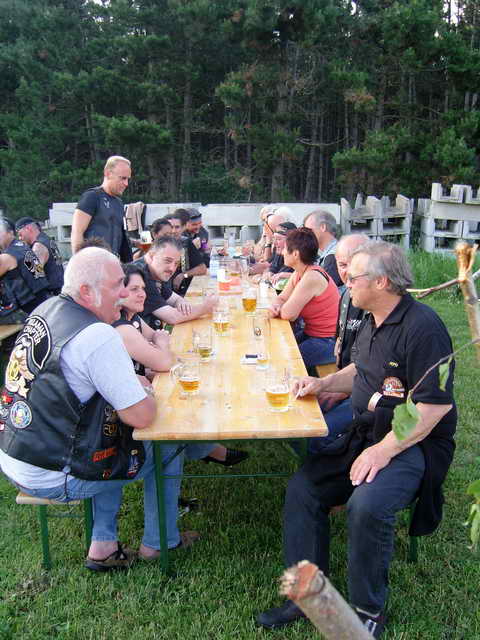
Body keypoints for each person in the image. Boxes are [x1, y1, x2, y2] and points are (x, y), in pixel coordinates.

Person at [257, 241, 457, 637]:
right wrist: (323, 383)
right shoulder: (372, 318)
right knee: (303, 488)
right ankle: (307, 599)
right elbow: (361, 369)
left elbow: (434, 408)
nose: (345, 279)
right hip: (366, 432)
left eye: (354, 275)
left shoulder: (424, 328)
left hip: (413, 443)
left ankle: (367, 610)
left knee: (367, 504)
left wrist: (382, 451)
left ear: (381, 282)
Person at [0, 247, 197, 569]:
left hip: (15, 457)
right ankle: (160, 542)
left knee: (114, 441)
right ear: (86, 291)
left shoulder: (45, 310)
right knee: (167, 446)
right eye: (117, 285)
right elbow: (142, 416)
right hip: (55, 472)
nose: (124, 293)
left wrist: (127, 385)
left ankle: (103, 543)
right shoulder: (98, 335)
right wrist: (145, 392)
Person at [114, 264, 247, 468]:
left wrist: (158, 347)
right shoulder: (122, 327)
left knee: (193, 387)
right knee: (179, 415)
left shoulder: (133, 318)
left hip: (143, 387)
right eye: (134, 289)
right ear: (119, 292)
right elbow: (164, 357)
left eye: (142, 288)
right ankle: (199, 452)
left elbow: (158, 337)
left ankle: (206, 449)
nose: (142, 294)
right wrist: (160, 347)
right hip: (130, 409)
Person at [308, 233, 369, 453]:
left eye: (355, 264)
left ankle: (332, 468)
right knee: (305, 411)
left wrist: (340, 390)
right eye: (342, 265)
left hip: (368, 393)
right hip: (348, 379)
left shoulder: (377, 306)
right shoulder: (347, 297)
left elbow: (374, 368)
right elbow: (340, 345)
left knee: (320, 432)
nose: (348, 272)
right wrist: (332, 384)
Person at [269, 228, 339, 370]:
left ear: (295, 254)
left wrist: (279, 309)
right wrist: (275, 306)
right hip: (312, 333)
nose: (282, 252)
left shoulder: (312, 277)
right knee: (275, 347)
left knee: (283, 360)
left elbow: (288, 314)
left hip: (328, 341)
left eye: (285, 249)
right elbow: (282, 297)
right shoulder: (299, 273)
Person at [134, 236, 216, 330]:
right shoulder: (140, 276)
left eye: (176, 263)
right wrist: (205, 308)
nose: (172, 268)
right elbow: (172, 317)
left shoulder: (155, 271)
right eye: (167, 261)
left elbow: (174, 299)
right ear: (151, 256)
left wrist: (181, 302)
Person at [71, 155, 133, 261]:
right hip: (92, 261)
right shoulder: (92, 196)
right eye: (123, 178)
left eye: (128, 179)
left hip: (112, 263)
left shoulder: (119, 203)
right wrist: (80, 262)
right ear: (108, 174)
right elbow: (77, 232)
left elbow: (117, 236)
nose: (126, 183)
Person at [0, 217, 50, 314]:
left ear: (10, 232)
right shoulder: (24, 247)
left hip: (26, 309)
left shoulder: (7, 256)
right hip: (43, 300)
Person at [15, 217, 64, 295]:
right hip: (60, 289)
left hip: (52, 293)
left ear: (28, 229)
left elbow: (33, 273)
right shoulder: (47, 239)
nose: (20, 238)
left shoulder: (38, 246)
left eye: (20, 234)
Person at [166, 210, 207, 294]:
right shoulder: (158, 246)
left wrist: (183, 275)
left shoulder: (186, 242)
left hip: (183, 291)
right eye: (171, 227)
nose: (173, 231)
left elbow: (202, 269)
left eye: (177, 227)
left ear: (183, 227)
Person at [304, 210, 343, 287]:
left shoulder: (333, 256)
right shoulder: (331, 252)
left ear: (323, 227)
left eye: (309, 230)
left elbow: (322, 289)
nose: (306, 235)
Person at [250, 209, 290, 276]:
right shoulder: (278, 243)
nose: (264, 225)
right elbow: (271, 266)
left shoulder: (285, 245)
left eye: (265, 221)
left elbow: (268, 265)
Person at [262, 221, 296, 285]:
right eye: (274, 239)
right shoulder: (279, 252)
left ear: (291, 241)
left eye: (278, 239)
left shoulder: (295, 257)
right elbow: (273, 268)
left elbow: (306, 276)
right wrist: (269, 273)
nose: (274, 243)